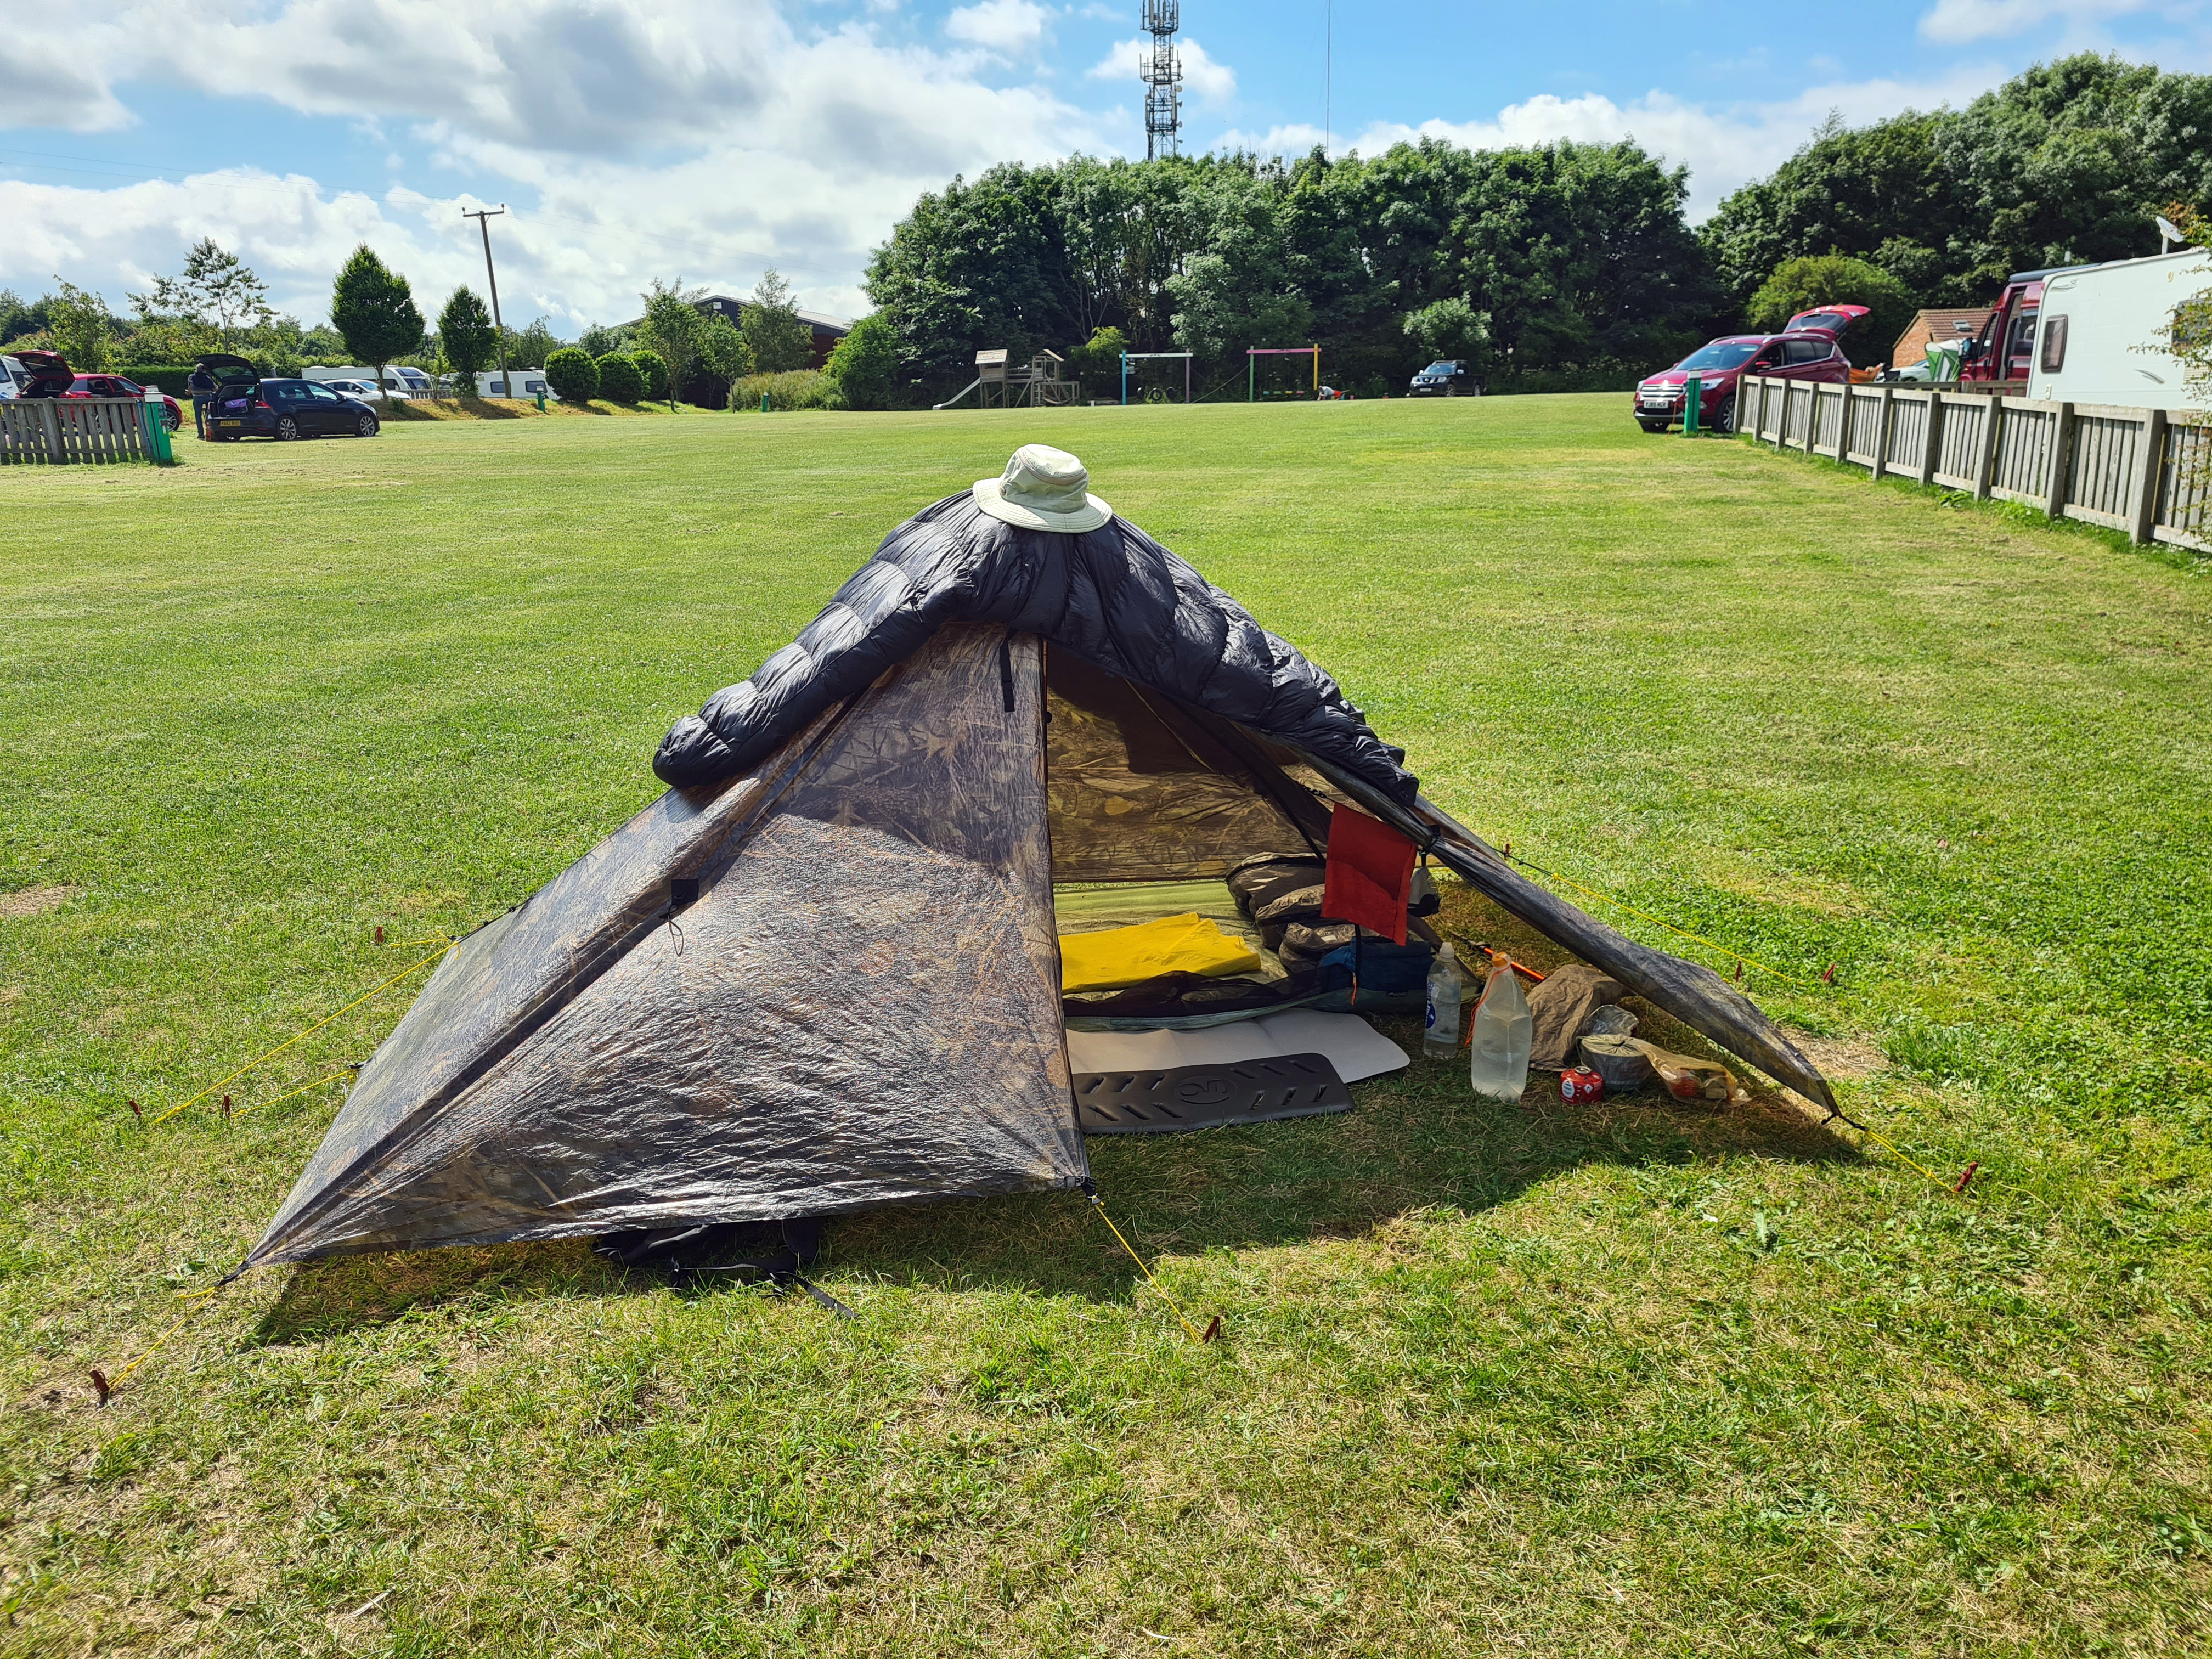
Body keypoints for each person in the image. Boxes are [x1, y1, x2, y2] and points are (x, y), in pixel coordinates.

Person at [187, 364, 216, 439]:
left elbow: (189, 389)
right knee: (209, 415)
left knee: (198, 416)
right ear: (203, 370)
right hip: (207, 398)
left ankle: (201, 435)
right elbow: (214, 389)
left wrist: (188, 393)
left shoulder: (191, 378)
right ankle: (210, 433)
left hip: (197, 398)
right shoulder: (207, 378)